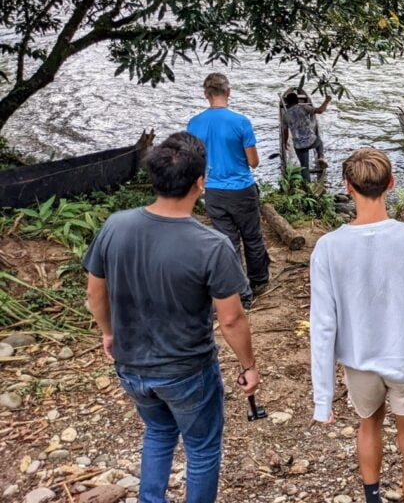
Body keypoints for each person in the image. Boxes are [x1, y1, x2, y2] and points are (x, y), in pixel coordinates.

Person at [84, 132, 260, 503]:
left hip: (132, 365)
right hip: (187, 369)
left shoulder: (117, 226)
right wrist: (249, 365)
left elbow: (95, 294)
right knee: (201, 449)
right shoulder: (212, 245)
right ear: (201, 182)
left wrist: (108, 333)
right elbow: (231, 320)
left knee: (158, 433)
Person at [310, 148, 404, 503]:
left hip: (359, 360)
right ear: (391, 184)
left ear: (347, 187)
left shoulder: (327, 247)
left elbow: (323, 326)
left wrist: (322, 400)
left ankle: (372, 496)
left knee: (369, 423)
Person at [187, 73, 269, 308]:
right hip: (241, 189)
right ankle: (259, 280)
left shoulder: (194, 124)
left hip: (212, 191)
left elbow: (193, 160)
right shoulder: (240, 122)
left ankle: (242, 294)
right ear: (228, 92)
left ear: (206, 95)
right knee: (252, 237)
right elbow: (253, 162)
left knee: (229, 242)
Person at [282, 91, 331, 183]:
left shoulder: (285, 115)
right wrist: (326, 101)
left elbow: (285, 131)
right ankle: (320, 156)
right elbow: (320, 110)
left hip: (299, 146)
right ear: (297, 101)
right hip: (311, 141)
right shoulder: (303, 107)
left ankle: (308, 186)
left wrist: (285, 143)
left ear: (287, 103)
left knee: (304, 167)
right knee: (319, 142)